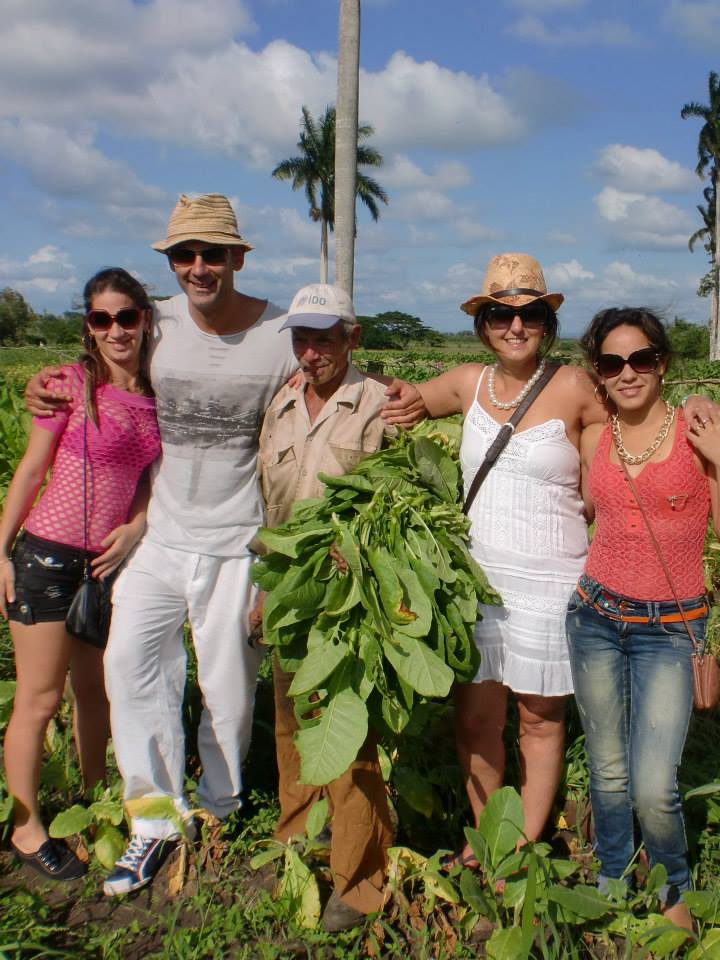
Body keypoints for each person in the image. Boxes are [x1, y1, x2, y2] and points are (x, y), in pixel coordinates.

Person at [0, 268, 160, 881]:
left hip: (105, 568)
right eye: (101, 319)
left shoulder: (153, 395)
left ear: (145, 319)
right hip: (45, 558)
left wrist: (139, 524)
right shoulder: (68, 385)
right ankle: (26, 825)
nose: (115, 330)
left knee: (96, 694)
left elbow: (150, 482)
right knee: (39, 700)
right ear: (88, 327)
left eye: (126, 317)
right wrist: (1, 550)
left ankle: (97, 801)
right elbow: (30, 469)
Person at [566, 307, 719, 932]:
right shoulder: (594, 437)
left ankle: (671, 885)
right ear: (597, 374)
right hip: (595, 615)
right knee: (605, 766)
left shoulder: (698, 430)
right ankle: (610, 869)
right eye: (611, 363)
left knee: (654, 783)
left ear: (663, 361)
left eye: (641, 359)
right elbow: (583, 510)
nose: (627, 373)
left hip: (672, 627)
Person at [254, 282, 395, 933]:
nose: (311, 352)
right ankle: (297, 835)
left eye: (324, 338)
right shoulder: (281, 401)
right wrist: (263, 590)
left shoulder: (380, 405)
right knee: (291, 724)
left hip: (349, 598)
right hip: (289, 589)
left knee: (348, 733)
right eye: (301, 338)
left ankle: (359, 880)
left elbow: (399, 504)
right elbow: (269, 506)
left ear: (352, 337)